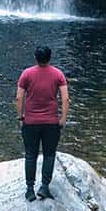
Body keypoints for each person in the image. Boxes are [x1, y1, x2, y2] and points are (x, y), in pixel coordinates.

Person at [15, 46, 69, 202]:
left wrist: (20, 118)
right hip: (51, 123)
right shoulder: (58, 74)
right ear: (50, 57)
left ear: (35, 57)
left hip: (30, 122)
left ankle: (30, 190)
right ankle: (44, 187)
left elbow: (19, 98)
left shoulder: (26, 74)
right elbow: (65, 99)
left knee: (30, 155)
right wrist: (63, 118)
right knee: (49, 155)